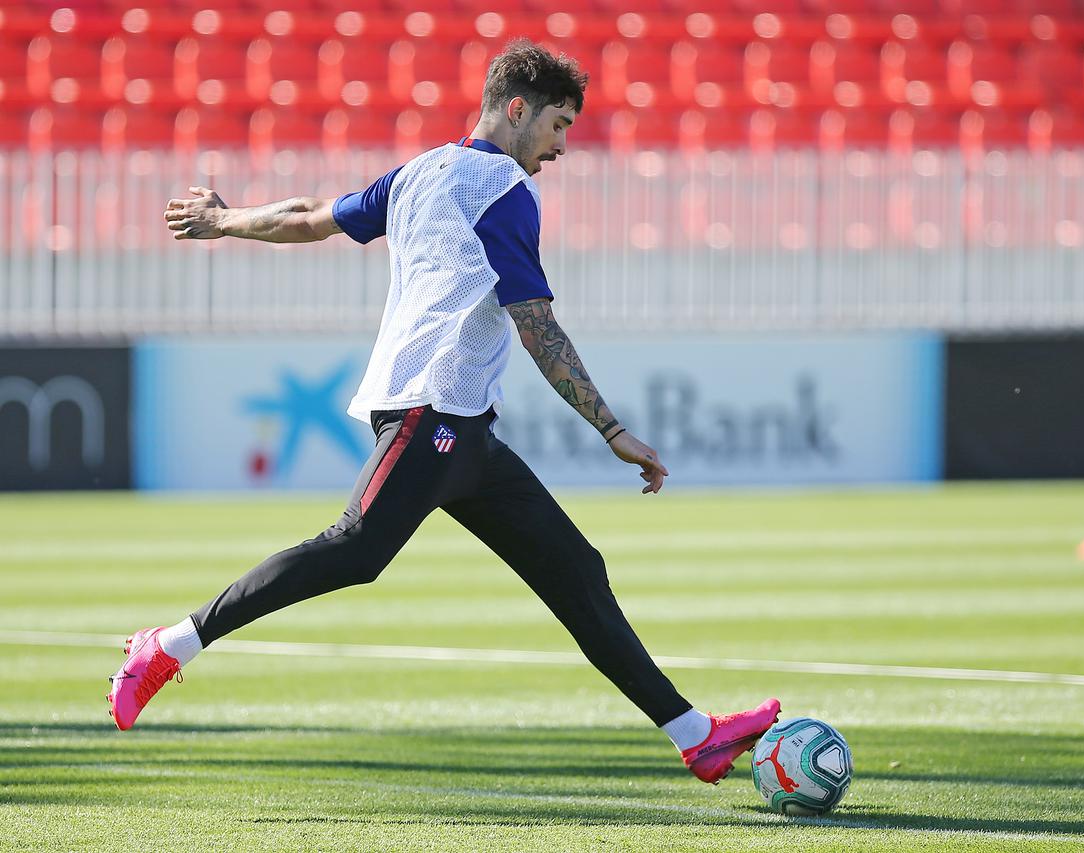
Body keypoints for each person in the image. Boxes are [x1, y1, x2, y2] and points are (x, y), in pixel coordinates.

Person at [109, 39, 779, 785]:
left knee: (575, 569)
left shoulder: (418, 172)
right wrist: (613, 429)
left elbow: (307, 217)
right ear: (517, 109)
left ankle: (696, 735)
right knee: (357, 548)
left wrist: (227, 220)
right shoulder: (503, 190)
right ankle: (167, 645)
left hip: (464, 431)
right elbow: (538, 326)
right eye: (558, 125)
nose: (560, 147)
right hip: (430, 413)